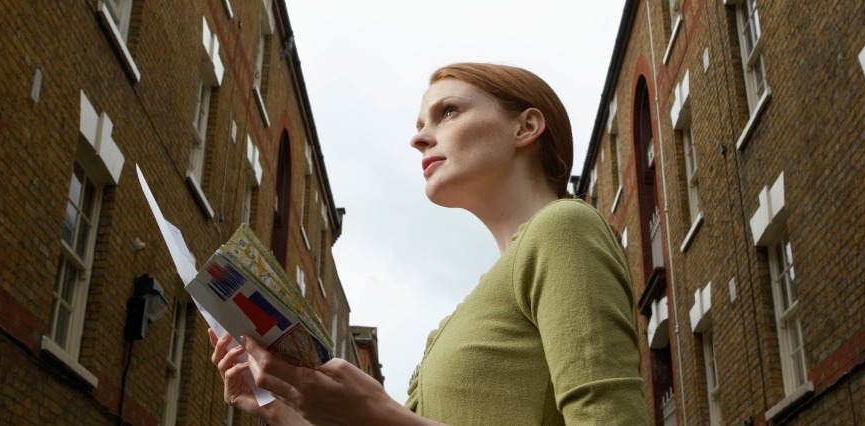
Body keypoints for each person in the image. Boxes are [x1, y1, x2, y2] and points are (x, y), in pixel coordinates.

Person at [210, 62, 648, 425]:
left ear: (526, 127)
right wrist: (284, 407)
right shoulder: (465, 310)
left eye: (449, 111)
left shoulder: (564, 227)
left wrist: (378, 413)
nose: (418, 138)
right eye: (421, 124)